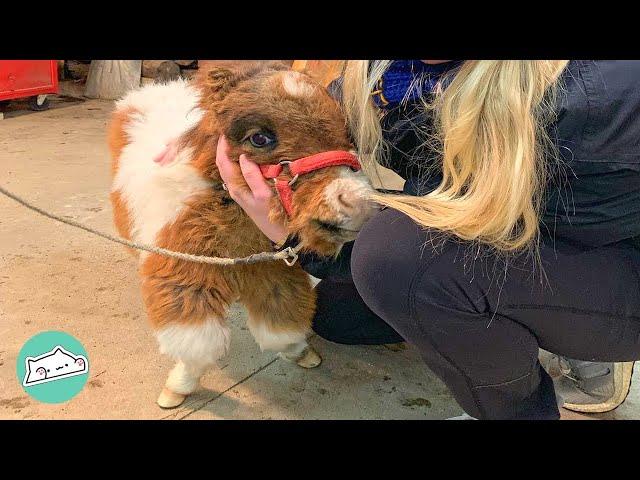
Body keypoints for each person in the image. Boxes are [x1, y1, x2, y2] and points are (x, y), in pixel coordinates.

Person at [216, 60, 640, 420]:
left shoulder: (590, 101)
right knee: (337, 316)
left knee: (399, 263)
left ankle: (532, 396)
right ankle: (522, 326)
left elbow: (439, 232)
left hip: (610, 258)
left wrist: (293, 236)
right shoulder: (393, 75)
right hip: (506, 220)